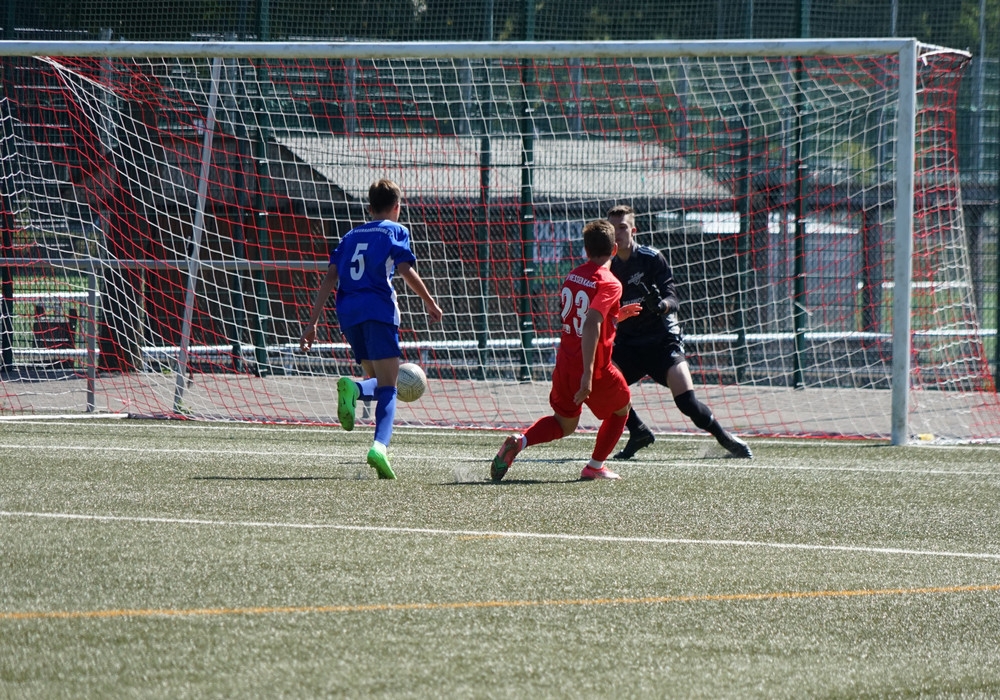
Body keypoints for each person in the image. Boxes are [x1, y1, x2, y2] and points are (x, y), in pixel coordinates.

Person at [300, 178, 443, 479]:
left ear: (369, 207)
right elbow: (404, 269)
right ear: (397, 207)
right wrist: (430, 301)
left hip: (348, 314)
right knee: (389, 388)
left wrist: (312, 323)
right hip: (378, 311)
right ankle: (379, 446)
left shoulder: (351, 235)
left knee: (378, 382)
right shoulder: (396, 230)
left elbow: (329, 279)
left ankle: (355, 389)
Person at [491, 220, 641, 482]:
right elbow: (592, 321)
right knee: (622, 407)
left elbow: (584, 317)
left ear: (585, 249)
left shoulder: (573, 275)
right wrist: (589, 373)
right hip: (594, 368)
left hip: (565, 363)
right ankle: (594, 466)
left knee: (564, 424)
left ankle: (521, 441)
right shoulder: (610, 282)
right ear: (614, 249)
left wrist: (616, 315)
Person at [607, 204, 752, 460]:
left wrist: (660, 306)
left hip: (662, 342)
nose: (617, 233)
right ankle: (638, 431)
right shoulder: (608, 267)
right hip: (629, 344)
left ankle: (725, 438)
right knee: (603, 388)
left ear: (633, 230)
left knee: (687, 404)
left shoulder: (652, 258)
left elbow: (673, 298)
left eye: (622, 227)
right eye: (612, 228)